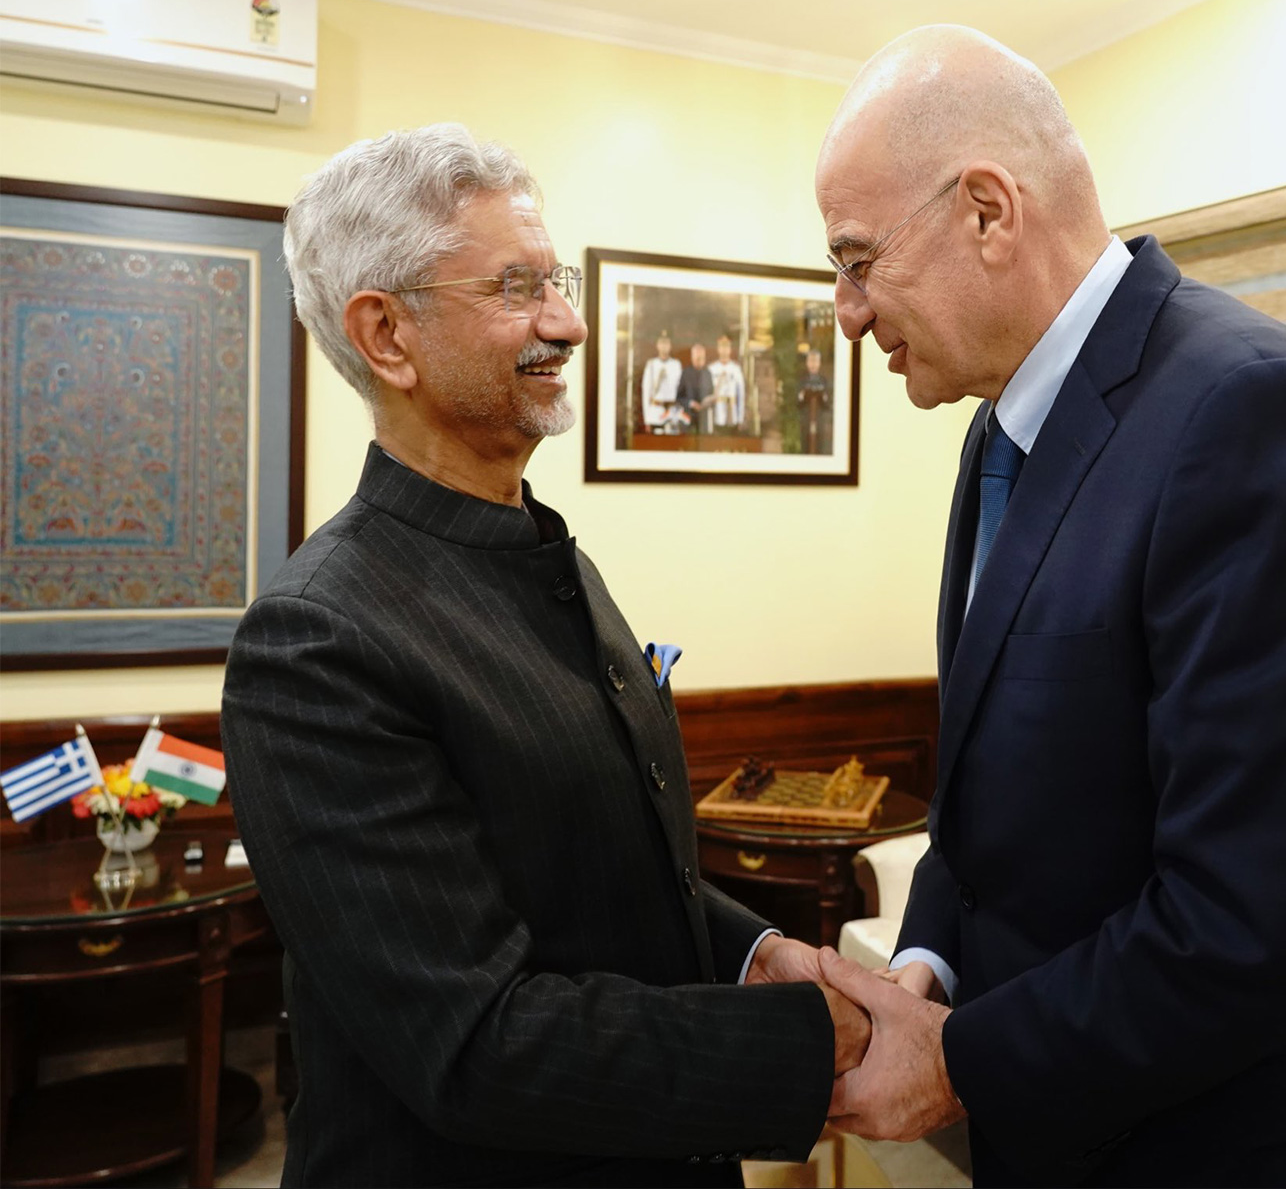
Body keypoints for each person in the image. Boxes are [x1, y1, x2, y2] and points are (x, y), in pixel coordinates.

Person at [806, 26, 1286, 1187]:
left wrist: (959, 1061)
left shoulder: (1249, 412)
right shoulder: (996, 430)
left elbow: (1251, 920)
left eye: (859, 259)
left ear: (986, 211)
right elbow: (988, 807)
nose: (847, 313)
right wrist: (927, 969)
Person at [219, 124, 865, 1188]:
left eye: (554, 281)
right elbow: (473, 1044)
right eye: (516, 288)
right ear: (387, 336)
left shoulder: (547, 552)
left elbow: (594, 873)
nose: (566, 322)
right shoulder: (317, 640)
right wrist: (813, 1047)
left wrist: (756, 953)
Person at [641, 330, 682, 431]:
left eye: (667, 343)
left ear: (670, 346)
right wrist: (647, 419)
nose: (664, 346)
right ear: (657, 345)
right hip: (655, 412)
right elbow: (646, 392)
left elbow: (680, 390)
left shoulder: (676, 365)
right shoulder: (651, 364)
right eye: (662, 343)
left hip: (671, 412)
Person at [794, 347, 832, 454]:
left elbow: (828, 402)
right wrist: (803, 395)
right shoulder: (802, 380)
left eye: (815, 361)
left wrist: (823, 396)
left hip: (819, 419)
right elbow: (797, 402)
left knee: (819, 444)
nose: (813, 364)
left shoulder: (824, 381)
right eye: (811, 361)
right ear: (807, 363)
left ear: (819, 363)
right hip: (806, 418)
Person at [708, 334, 745, 431]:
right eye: (721, 346)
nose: (724, 349)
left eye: (727, 346)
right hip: (717, 414)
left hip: (732, 414)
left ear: (730, 348)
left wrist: (740, 419)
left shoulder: (736, 369)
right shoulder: (712, 369)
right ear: (718, 348)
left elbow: (741, 395)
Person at [678, 341, 715, 434]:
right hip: (688, 418)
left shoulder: (708, 374)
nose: (699, 360)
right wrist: (691, 403)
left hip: (704, 419)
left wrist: (708, 401)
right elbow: (679, 397)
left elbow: (712, 394)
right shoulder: (685, 373)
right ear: (692, 357)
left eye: (701, 358)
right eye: (696, 357)